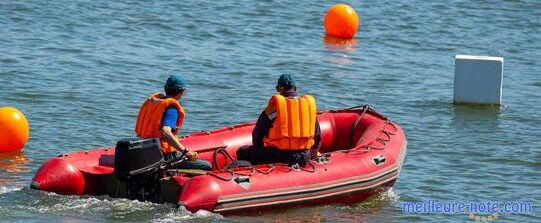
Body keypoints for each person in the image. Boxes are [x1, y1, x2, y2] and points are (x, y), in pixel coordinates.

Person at [236, 74, 321, 167]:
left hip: (280, 156)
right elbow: (317, 135)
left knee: (242, 152)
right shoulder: (308, 108)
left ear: (278, 89)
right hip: (304, 157)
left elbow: (257, 133)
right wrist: (313, 153)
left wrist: (259, 150)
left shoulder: (274, 108)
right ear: (296, 88)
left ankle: (252, 171)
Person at [135, 74, 211, 170]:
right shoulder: (171, 109)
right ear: (182, 92)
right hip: (163, 156)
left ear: (165, 88)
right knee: (206, 165)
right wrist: (185, 151)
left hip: (146, 150)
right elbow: (165, 131)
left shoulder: (154, 102)